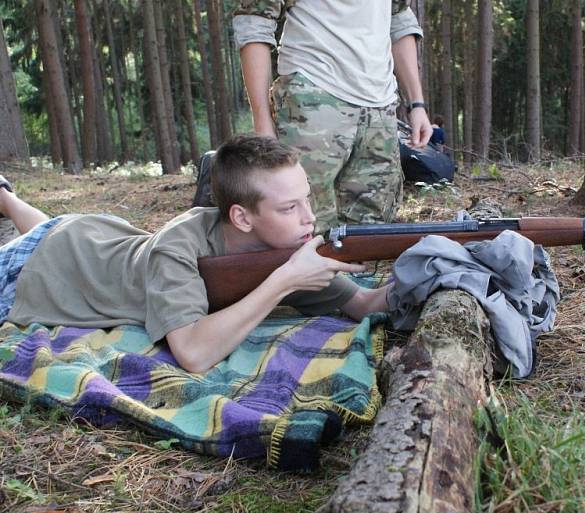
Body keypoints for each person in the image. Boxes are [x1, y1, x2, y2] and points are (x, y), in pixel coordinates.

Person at [0, 134, 391, 374]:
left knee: (38, 221)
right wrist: (285, 281)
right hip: (42, 266)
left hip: (93, 233)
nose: (310, 219)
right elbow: (193, 353)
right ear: (241, 216)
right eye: (290, 208)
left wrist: (433, 262)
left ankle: (5, 196)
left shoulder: (280, 246)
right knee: (42, 233)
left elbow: (364, 304)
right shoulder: (179, 247)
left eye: (306, 200)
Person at [233, 1, 433, 233]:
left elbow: (398, 17)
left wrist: (416, 103)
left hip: (380, 109)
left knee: (372, 230)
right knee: (306, 228)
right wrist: (262, 122)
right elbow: (254, 20)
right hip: (314, 100)